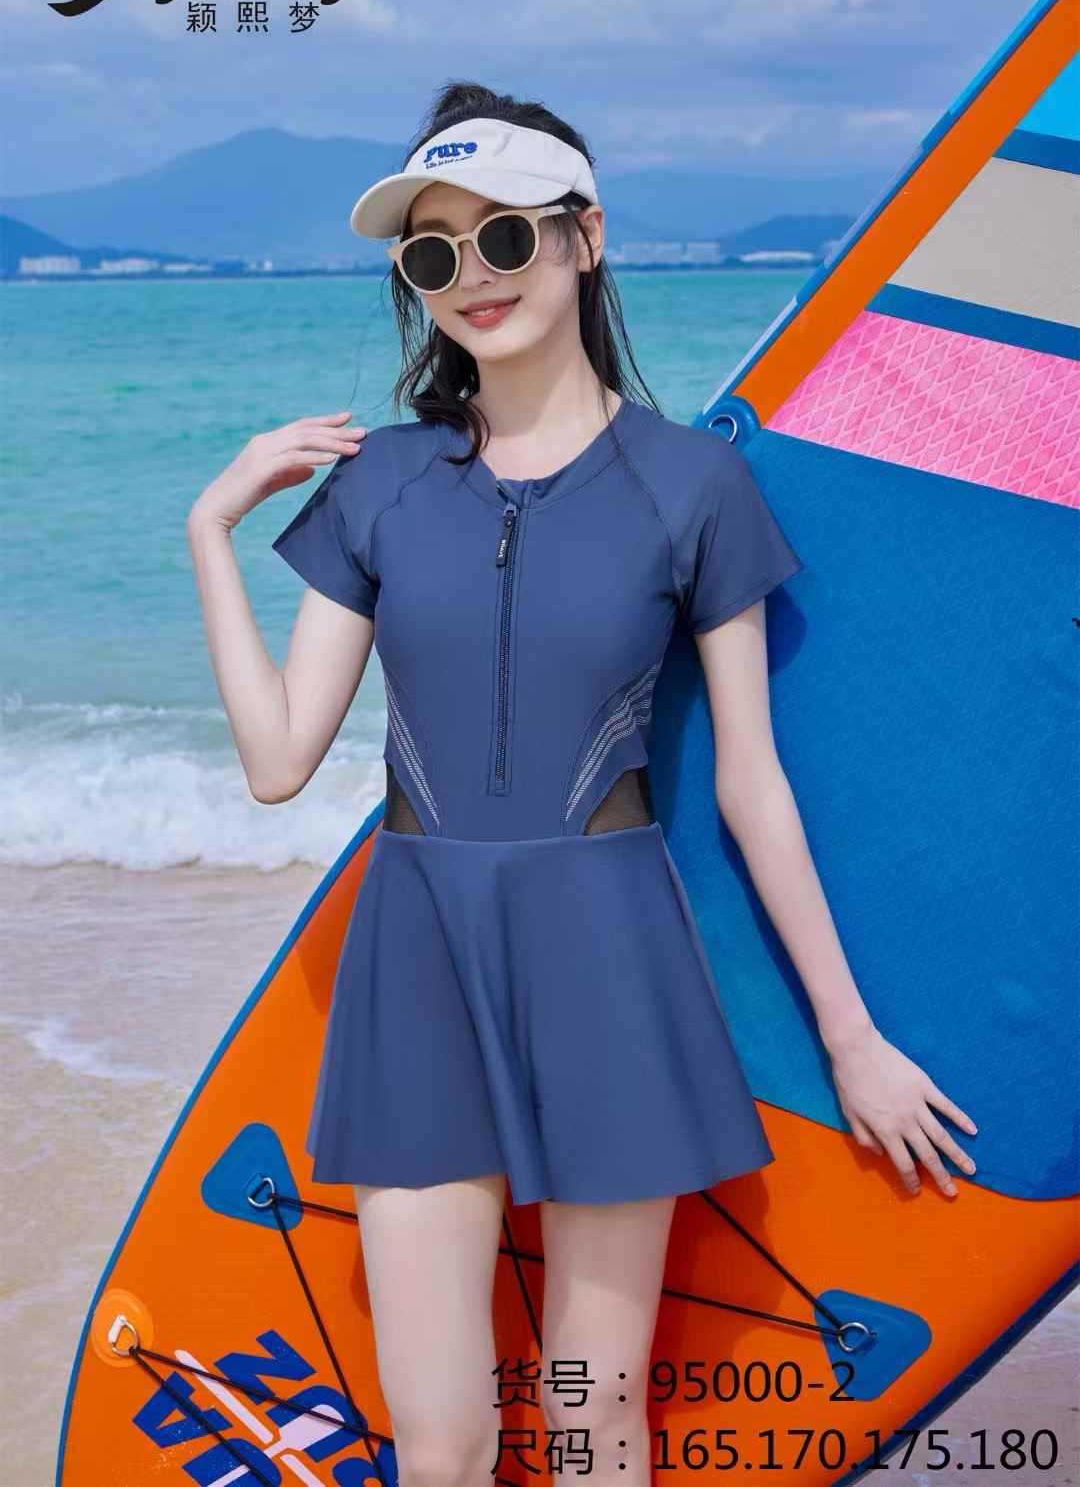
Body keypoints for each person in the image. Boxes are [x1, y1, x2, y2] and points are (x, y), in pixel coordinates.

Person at [187, 80, 978, 1487]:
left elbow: (752, 783)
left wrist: (851, 1035)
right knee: (440, 1438)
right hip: (415, 957)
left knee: (592, 1420)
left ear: (585, 236)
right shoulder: (381, 485)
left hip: (608, 956)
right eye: (432, 254)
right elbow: (276, 761)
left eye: (503, 237)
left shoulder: (693, 486)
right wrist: (210, 526)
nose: (471, 278)